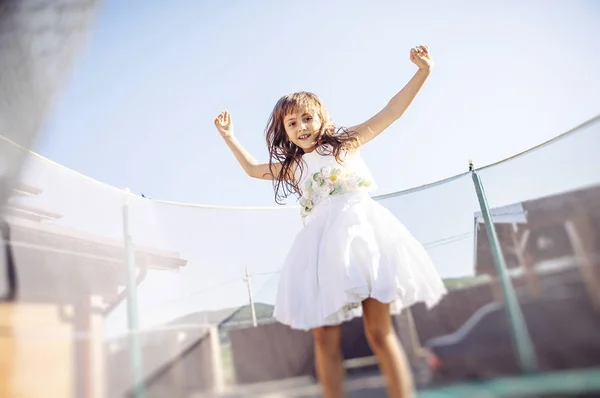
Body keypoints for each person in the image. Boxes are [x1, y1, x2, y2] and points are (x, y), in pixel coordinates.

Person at [214, 45, 446, 398]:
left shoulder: (344, 144)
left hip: (362, 234)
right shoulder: (292, 168)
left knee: (378, 331)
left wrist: (423, 72)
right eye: (292, 123)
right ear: (285, 132)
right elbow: (251, 169)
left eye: (307, 118)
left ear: (322, 118)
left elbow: (391, 111)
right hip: (321, 247)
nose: (301, 127)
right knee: (323, 337)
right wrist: (229, 137)